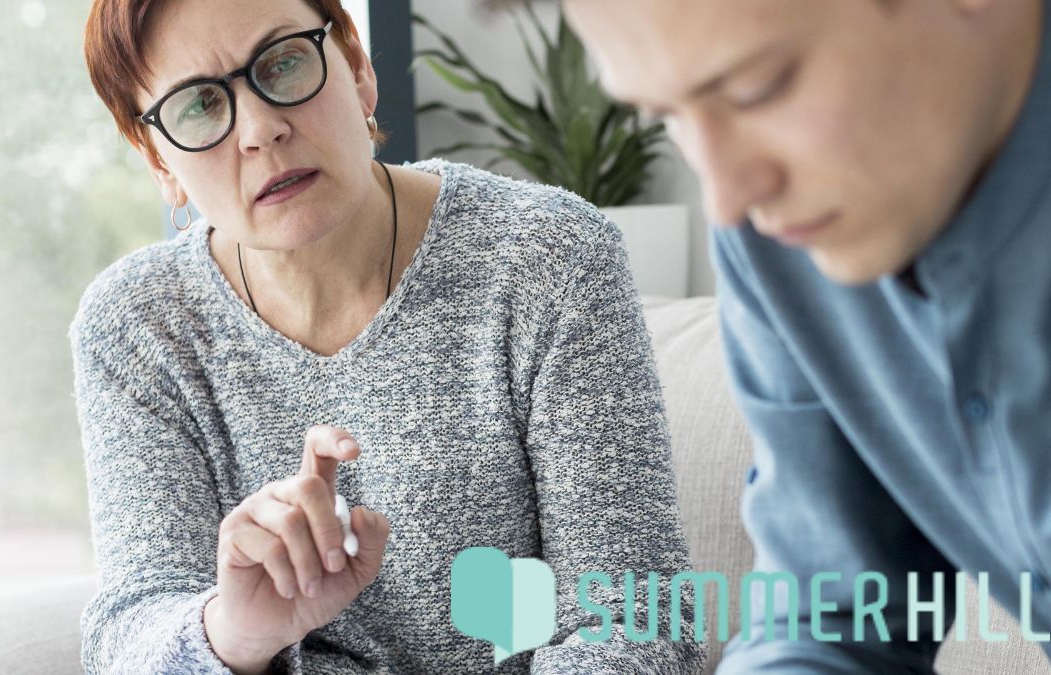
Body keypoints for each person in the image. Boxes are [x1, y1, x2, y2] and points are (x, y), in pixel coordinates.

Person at [71, 0, 704, 672]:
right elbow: (129, 627)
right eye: (198, 107)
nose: (261, 128)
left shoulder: (550, 257)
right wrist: (233, 631)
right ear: (158, 162)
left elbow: (640, 622)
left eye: (283, 63)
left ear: (356, 65)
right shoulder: (136, 325)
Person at [484, 0, 1051, 670]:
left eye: (759, 88)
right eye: (664, 115)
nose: (726, 200)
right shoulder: (782, 246)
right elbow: (827, 615)